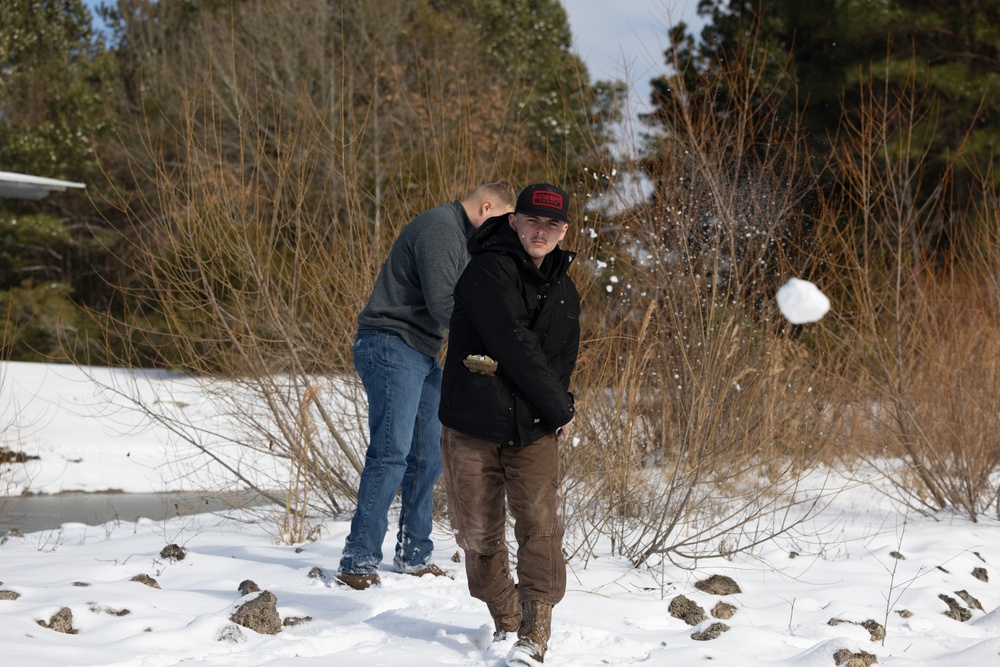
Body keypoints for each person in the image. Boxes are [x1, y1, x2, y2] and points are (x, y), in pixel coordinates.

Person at [337, 181, 517, 591]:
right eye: (502, 223)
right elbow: (443, 304)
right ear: (486, 206)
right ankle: (357, 562)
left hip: (420, 351)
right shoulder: (441, 229)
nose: (502, 234)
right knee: (391, 453)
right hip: (389, 343)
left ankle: (413, 554)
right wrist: (495, 335)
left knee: (429, 456)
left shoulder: (464, 238)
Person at [438, 183, 580, 665]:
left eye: (552, 224)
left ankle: (534, 634)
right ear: (514, 220)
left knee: (541, 528)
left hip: (534, 427)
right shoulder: (487, 269)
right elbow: (513, 340)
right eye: (533, 221)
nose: (542, 231)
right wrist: (561, 407)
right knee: (478, 532)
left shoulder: (565, 287)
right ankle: (504, 616)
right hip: (473, 425)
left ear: (564, 231)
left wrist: (560, 403)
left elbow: (559, 360)